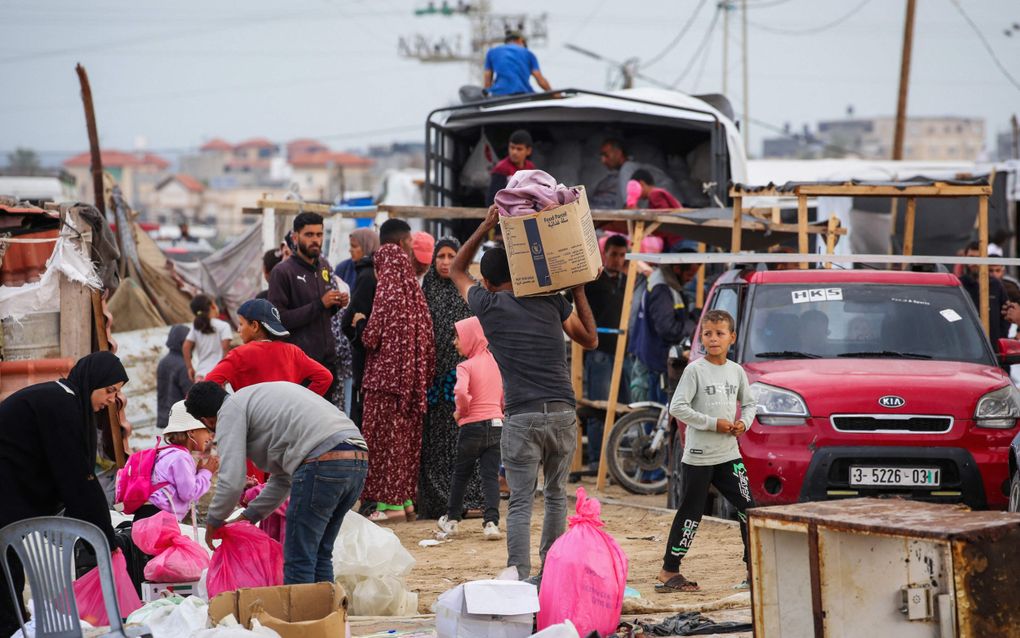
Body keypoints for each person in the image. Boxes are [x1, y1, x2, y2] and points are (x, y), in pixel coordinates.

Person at [450, 205, 598, 583]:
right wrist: (578, 289)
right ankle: (551, 574)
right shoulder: (550, 300)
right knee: (554, 495)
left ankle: (518, 574)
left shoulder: (488, 306)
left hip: (522, 416)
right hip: (563, 412)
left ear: (487, 281)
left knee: (519, 501)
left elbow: (455, 269)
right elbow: (590, 339)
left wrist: (485, 225)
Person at [185, 381, 367, 585]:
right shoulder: (253, 399)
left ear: (207, 421)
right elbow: (283, 479)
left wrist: (213, 521)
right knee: (319, 554)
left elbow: (232, 480)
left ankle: (305, 616)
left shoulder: (230, 410)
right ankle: (327, 615)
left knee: (299, 558)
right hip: (356, 459)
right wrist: (249, 516)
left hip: (323, 461)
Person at [0, 352, 127, 636]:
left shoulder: (60, 399)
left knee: (8, 572)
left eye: (117, 393)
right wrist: (104, 536)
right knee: (5, 576)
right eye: (109, 390)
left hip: (7, 498)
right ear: (91, 381)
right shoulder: (61, 404)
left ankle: (13, 625)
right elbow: (78, 478)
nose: (111, 400)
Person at [657, 310, 756, 593]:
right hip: (699, 456)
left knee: (749, 509)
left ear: (731, 338)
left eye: (720, 334)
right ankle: (669, 570)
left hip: (730, 455)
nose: (714, 339)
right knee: (692, 511)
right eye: (708, 334)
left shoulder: (736, 371)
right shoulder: (695, 370)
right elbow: (677, 408)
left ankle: (754, 569)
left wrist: (743, 423)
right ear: (701, 338)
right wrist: (714, 424)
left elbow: (749, 404)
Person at [358, 240, 435, 522]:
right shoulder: (417, 298)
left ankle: (388, 508)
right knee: (405, 445)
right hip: (413, 387)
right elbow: (429, 347)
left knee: (382, 446)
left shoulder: (385, 293)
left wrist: (358, 321)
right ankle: (405, 502)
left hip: (383, 385)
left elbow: (371, 338)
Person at [419, 237, 484, 520]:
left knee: (467, 437)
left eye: (451, 256)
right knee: (437, 440)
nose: (446, 262)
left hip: (468, 377)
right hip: (436, 379)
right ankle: (439, 501)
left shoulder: (470, 289)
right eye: (441, 256)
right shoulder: (425, 290)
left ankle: (472, 498)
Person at [437, 316, 505, 540]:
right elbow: (504, 394)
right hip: (496, 425)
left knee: (461, 474)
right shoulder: (496, 362)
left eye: (458, 337)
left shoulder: (465, 366)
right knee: (490, 476)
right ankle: (491, 523)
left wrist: (461, 411)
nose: (454, 342)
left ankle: (453, 519)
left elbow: (461, 392)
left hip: (471, 426)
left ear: (470, 337)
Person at [342, 219, 414, 425]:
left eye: (354, 246)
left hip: (383, 377)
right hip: (374, 375)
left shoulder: (386, 278)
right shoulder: (372, 278)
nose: (350, 251)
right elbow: (349, 323)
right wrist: (364, 343)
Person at [205, 298, 333, 396]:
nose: (238, 329)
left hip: (254, 425)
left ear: (254, 326)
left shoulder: (239, 354)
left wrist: (227, 405)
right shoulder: (292, 351)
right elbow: (325, 377)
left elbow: (208, 384)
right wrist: (303, 402)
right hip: (289, 423)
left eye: (241, 324)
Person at [582, 234, 630, 470]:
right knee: (597, 406)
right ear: (605, 253)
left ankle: (615, 461)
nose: (618, 259)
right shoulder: (593, 280)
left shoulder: (627, 282)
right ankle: (594, 460)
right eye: (614, 254)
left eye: (622, 255)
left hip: (624, 351)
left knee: (624, 406)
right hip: (599, 350)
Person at [629, 252, 701, 404]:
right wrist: (692, 325)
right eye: (689, 274)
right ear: (676, 269)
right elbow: (668, 328)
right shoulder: (662, 289)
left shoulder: (665, 283)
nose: (691, 279)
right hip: (654, 362)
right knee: (655, 415)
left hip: (652, 356)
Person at [138, 401, 218, 522]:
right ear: (191, 432)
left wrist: (196, 475)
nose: (211, 437)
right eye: (207, 430)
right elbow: (189, 495)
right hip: (158, 518)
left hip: (150, 514)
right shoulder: (181, 457)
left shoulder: (170, 453)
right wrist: (206, 473)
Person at [590, 139, 678, 210]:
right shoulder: (620, 173)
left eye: (606, 155)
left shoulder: (627, 168)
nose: (603, 160)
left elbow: (630, 208)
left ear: (618, 153)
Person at [960, 240, 1010, 342]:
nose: (974, 262)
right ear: (965, 258)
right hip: (966, 343)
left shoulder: (995, 285)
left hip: (993, 346)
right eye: (971, 257)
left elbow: (1006, 312)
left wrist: (1001, 337)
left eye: (978, 258)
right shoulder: (959, 284)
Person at [483, 31, 551, 97]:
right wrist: (554, 94)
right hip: (522, 94)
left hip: (499, 95)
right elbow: (540, 80)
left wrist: (487, 96)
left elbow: (487, 79)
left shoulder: (492, 52)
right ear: (520, 40)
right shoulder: (528, 54)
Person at [183, 294, 233, 382]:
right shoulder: (224, 326)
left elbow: (186, 347)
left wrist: (190, 368)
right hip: (216, 375)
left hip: (200, 375)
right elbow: (225, 348)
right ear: (213, 306)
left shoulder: (196, 327)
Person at [156, 324, 193, 429]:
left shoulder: (163, 362)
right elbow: (191, 395)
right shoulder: (184, 365)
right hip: (181, 422)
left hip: (166, 419)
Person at [487, 129, 536, 205]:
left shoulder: (530, 167)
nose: (514, 152)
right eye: (512, 147)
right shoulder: (501, 168)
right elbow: (492, 199)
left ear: (528, 151)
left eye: (519, 149)